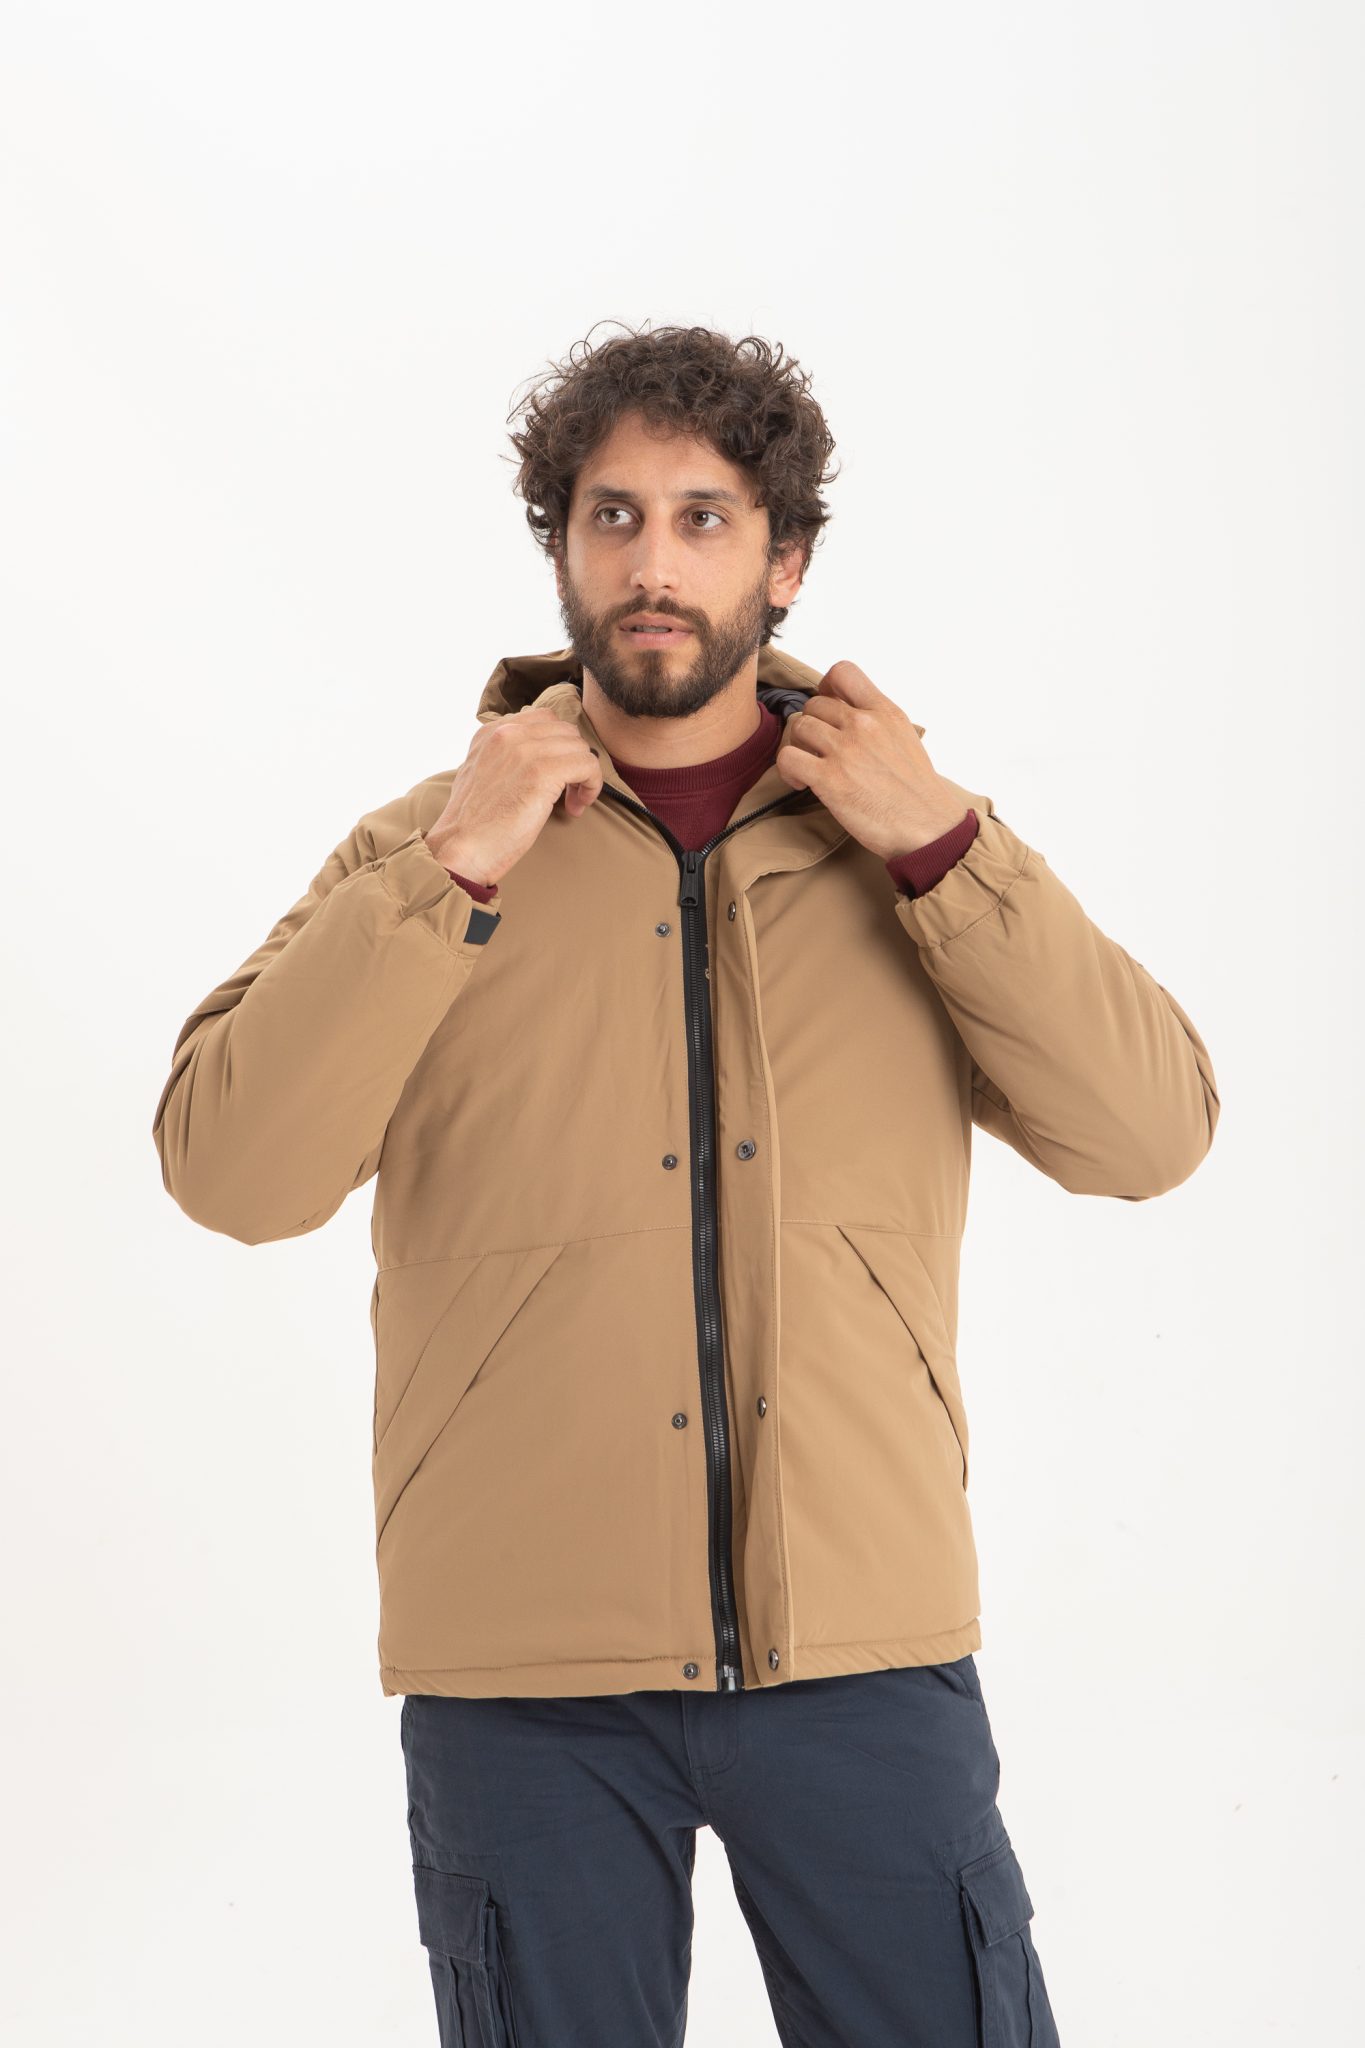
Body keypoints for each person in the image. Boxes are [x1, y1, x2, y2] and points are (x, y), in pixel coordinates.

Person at [152, 322, 1219, 2045]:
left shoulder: (910, 842)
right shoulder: (421, 850)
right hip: (524, 1669)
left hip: (861, 1649)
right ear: (562, 551)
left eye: (705, 518)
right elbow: (232, 1173)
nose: (654, 563)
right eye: (614, 516)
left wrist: (944, 845)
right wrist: (454, 869)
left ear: (783, 562)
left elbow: (1148, 1136)